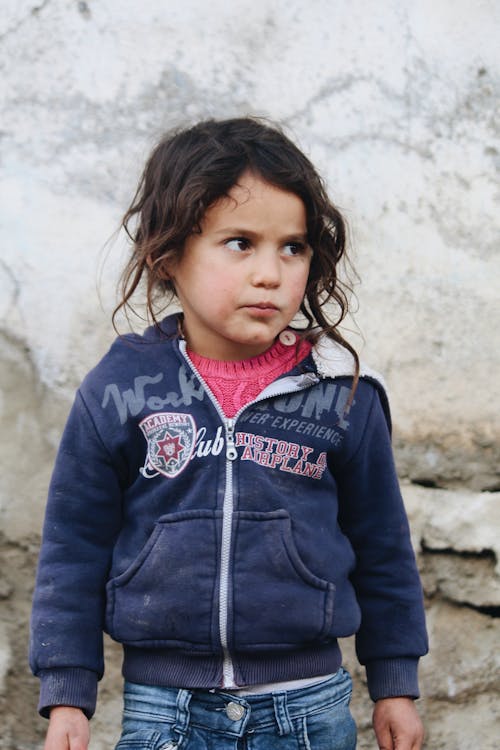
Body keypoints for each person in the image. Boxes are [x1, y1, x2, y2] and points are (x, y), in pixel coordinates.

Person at [30, 117, 428, 750]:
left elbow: (383, 544)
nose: (270, 273)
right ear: (168, 255)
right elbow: (72, 549)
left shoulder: (341, 391)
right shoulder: (120, 386)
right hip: (164, 709)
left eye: (292, 247)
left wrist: (395, 684)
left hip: (309, 705)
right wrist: (67, 696)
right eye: (240, 242)